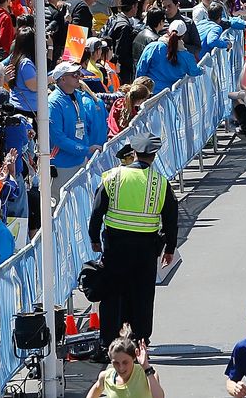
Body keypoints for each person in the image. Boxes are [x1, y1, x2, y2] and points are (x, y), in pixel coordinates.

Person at [88, 133, 176, 351]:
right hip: (146, 249)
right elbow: (171, 219)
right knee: (143, 294)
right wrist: (170, 248)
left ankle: (108, 340)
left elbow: (97, 211)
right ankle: (141, 340)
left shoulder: (112, 177)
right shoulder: (160, 183)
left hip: (116, 246)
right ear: (154, 156)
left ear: (134, 153)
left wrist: (94, 238)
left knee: (112, 292)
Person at [87, 325, 166, 398]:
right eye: (116, 363)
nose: (121, 368)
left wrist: (146, 367)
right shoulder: (105, 377)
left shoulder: (147, 374)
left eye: (125, 362)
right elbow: (94, 392)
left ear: (134, 357)